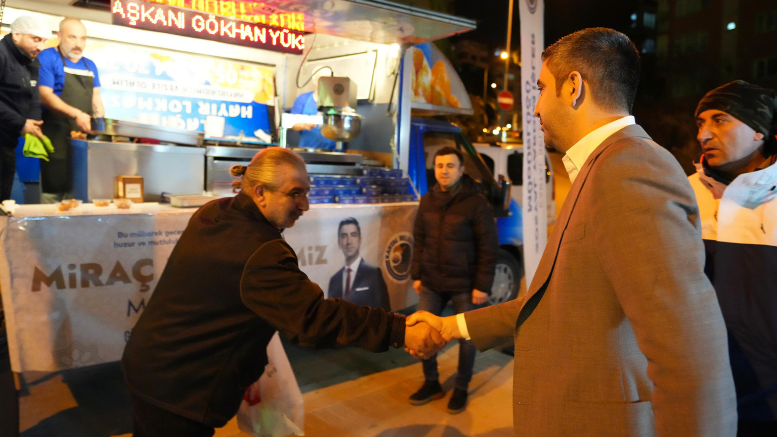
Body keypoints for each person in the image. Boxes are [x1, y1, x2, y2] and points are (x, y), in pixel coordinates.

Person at [408, 28, 737, 436]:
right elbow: (555, 301)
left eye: (541, 89)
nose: (535, 108)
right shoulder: (603, 168)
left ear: (575, 86)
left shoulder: (630, 168)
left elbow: (689, 352)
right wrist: (450, 326)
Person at [121, 147, 445, 436]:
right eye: (295, 194)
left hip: (151, 367)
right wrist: (399, 329)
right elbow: (314, 319)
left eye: (307, 192)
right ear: (260, 193)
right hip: (178, 390)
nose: (305, 204)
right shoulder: (259, 250)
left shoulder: (215, 212)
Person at [690, 80, 777, 436]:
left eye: (720, 120)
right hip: (701, 398)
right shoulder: (682, 195)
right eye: (700, 123)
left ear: (760, 130)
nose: (704, 135)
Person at [408, 146, 498, 414]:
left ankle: (461, 387)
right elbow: (420, 240)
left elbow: (488, 247)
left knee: (466, 338)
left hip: (465, 284)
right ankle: (432, 383)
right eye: (439, 166)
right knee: (422, 332)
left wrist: (482, 285)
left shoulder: (476, 203)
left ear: (461, 170)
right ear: (434, 170)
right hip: (432, 282)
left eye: (450, 166)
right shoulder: (427, 200)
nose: (444, 171)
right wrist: (417, 275)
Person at [38, 17, 104, 203]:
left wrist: (100, 126)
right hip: (55, 135)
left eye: (83, 39)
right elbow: (45, 95)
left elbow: (96, 100)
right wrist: (77, 114)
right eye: (73, 37)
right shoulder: (48, 57)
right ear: (59, 36)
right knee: (54, 193)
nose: (78, 44)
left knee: (81, 192)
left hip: (83, 139)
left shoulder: (90, 65)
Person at [0, 15, 49, 202]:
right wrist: (21, 123)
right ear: (16, 35)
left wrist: (34, 123)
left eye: (44, 41)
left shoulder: (31, 60)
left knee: (3, 201)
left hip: (8, 142)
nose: (41, 47)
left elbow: (33, 98)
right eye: (36, 39)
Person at [327, 217, 391, 311]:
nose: (349, 241)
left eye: (353, 235)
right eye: (344, 236)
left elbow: (385, 312)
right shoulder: (334, 280)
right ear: (339, 242)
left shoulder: (373, 274)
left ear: (360, 240)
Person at [290, 69, 336, 151]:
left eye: (328, 78)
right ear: (314, 80)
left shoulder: (338, 100)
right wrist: (304, 125)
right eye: (321, 78)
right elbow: (292, 123)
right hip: (307, 151)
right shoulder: (303, 99)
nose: (325, 81)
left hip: (333, 152)